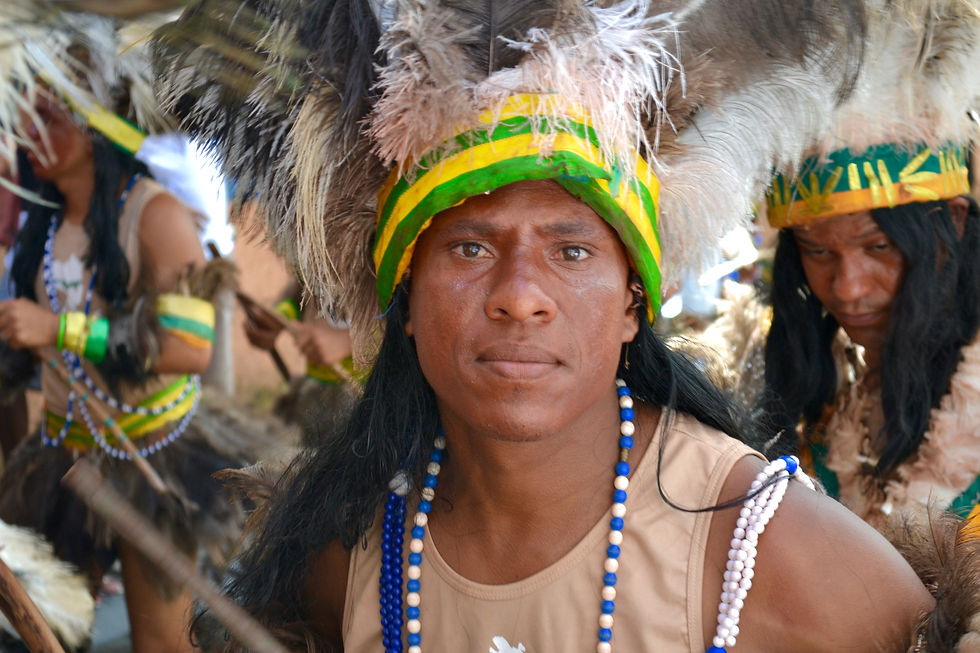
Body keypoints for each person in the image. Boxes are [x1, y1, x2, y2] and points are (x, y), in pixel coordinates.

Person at [154, 0, 976, 650]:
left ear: (631, 304)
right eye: (470, 246)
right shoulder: (344, 558)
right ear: (404, 301)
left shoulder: (777, 558)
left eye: (572, 251)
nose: (520, 295)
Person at [0, 26, 268, 652]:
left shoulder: (157, 217)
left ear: (98, 119)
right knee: (43, 631)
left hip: (154, 465)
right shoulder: (41, 224)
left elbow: (188, 350)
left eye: (49, 112)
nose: (29, 130)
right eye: (22, 114)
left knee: (161, 644)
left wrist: (59, 329)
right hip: (64, 455)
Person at [762, 0, 980, 529]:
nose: (848, 288)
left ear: (951, 221)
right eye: (817, 251)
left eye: (879, 247)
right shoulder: (824, 390)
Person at [243, 281, 358, 444]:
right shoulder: (310, 259)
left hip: (370, 404)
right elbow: (301, 289)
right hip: (314, 403)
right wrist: (280, 316)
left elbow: (403, 316)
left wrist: (349, 340)